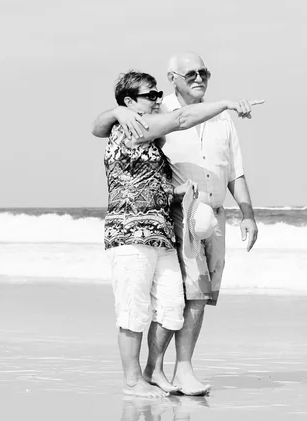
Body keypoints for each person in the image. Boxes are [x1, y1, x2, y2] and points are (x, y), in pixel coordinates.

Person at [92, 52, 261, 396]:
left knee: (172, 303)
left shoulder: (148, 125)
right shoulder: (138, 126)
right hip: (133, 230)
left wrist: (245, 211)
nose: (156, 100)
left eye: (156, 95)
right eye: (149, 95)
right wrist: (228, 103)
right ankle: (134, 379)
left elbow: (169, 169)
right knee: (135, 308)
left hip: (163, 232)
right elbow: (182, 119)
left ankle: (152, 373)